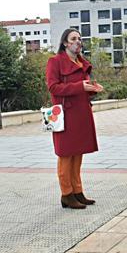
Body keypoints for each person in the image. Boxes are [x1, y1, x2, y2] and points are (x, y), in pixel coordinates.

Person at [46, 29, 103, 209]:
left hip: (81, 114)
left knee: (78, 154)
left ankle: (77, 192)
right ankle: (66, 194)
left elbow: (82, 88)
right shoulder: (55, 62)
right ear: (65, 43)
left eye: (79, 38)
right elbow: (53, 87)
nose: (78, 41)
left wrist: (92, 89)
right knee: (65, 155)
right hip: (65, 115)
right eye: (73, 39)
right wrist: (80, 86)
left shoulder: (81, 63)